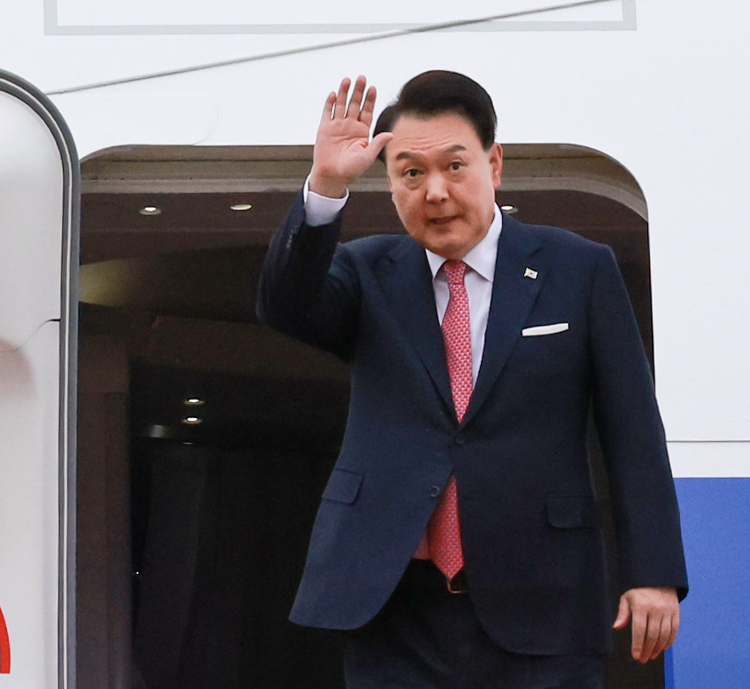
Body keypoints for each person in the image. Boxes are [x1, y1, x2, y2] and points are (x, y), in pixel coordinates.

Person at [257, 71, 687, 689]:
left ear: (494, 164)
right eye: (411, 173)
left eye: (454, 167)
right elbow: (285, 306)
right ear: (390, 181)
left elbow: (634, 433)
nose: (434, 192)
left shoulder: (578, 268)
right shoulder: (366, 270)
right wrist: (324, 187)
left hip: (542, 600)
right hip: (393, 606)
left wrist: (653, 572)